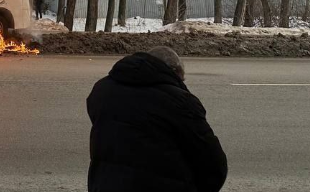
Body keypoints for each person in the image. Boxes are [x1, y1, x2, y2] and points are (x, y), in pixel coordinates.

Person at [87, 47, 227, 192]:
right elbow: (212, 163)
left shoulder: (102, 89)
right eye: (181, 79)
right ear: (174, 72)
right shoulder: (180, 102)